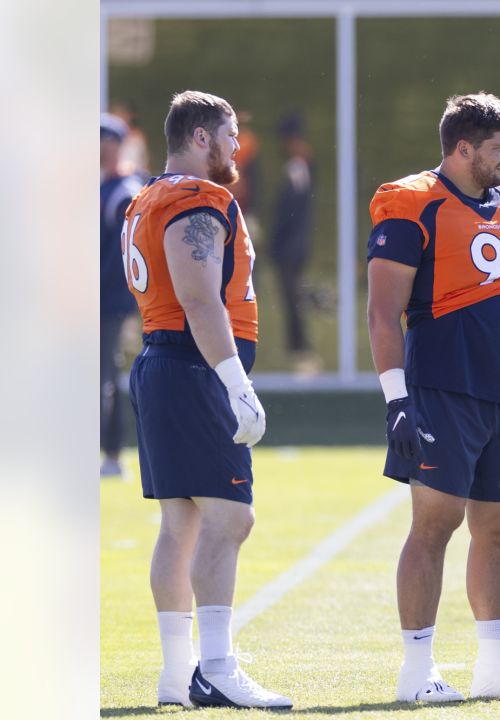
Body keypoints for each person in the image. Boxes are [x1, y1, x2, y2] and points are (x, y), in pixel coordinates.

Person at [365, 92, 500, 704]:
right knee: (434, 524)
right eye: (498, 147)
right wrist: (396, 399)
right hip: (441, 387)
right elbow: (381, 311)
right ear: (463, 148)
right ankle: (415, 670)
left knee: (499, 528)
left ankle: (495, 667)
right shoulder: (411, 202)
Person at [123, 90, 290, 709]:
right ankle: (216, 666)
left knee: (181, 523)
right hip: (193, 367)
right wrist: (235, 383)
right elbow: (199, 298)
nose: (236, 146)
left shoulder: (146, 198)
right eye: (229, 133)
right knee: (230, 518)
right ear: (200, 138)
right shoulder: (197, 198)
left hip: (165, 361)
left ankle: (176, 674)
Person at [101, 113, 144, 478]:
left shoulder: (124, 190)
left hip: (107, 302)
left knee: (104, 375)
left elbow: (120, 253)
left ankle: (112, 453)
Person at [270, 112, 320, 371]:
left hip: (290, 246)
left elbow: (288, 211)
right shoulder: (304, 166)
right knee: (291, 295)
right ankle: (295, 346)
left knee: (292, 296)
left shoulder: (297, 168)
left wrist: (275, 241)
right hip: (297, 244)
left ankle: (300, 347)